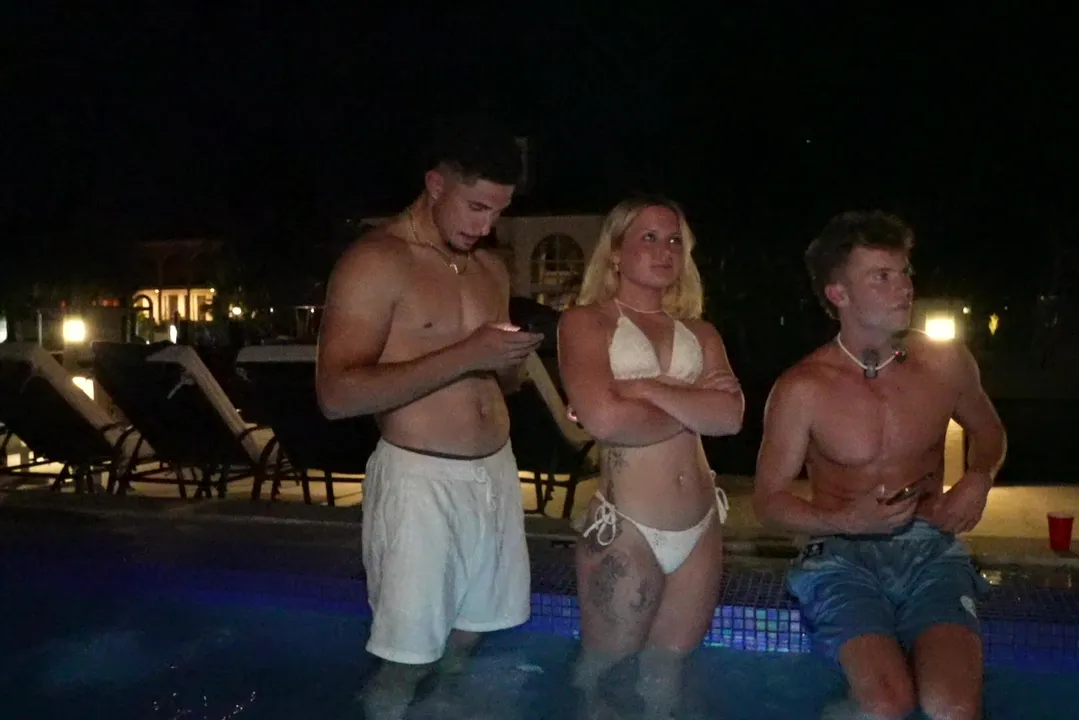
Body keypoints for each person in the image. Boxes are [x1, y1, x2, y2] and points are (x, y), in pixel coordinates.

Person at [315, 114, 544, 720]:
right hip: (421, 483)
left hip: (495, 476)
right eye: (476, 207)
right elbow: (336, 395)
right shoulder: (376, 262)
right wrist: (470, 353)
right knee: (406, 660)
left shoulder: (490, 267)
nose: (486, 226)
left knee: (469, 639)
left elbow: (495, 378)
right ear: (436, 184)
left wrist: (510, 364)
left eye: (498, 211)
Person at [752, 211, 1007, 720]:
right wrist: (845, 520)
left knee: (955, 707)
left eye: (905, 272)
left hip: (930, 549)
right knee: (887, 705)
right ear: (839, 294)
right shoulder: (803, 388)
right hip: (840, 556)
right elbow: (768, 502)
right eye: (882, 276)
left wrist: (978, 478)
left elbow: (990, 432)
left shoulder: (945, 362)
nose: (904, 287)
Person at [557, 194, 744, 718]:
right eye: (649, 238)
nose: (666, 251)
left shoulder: (701, 331)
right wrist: (693, 406)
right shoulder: (585, 323)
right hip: (627, 528)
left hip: (700, 525)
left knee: (668, 673)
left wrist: (645, 388)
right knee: (602, 674)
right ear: (615, 252)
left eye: (675, 240)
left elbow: (731, 418)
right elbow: (606, 421)